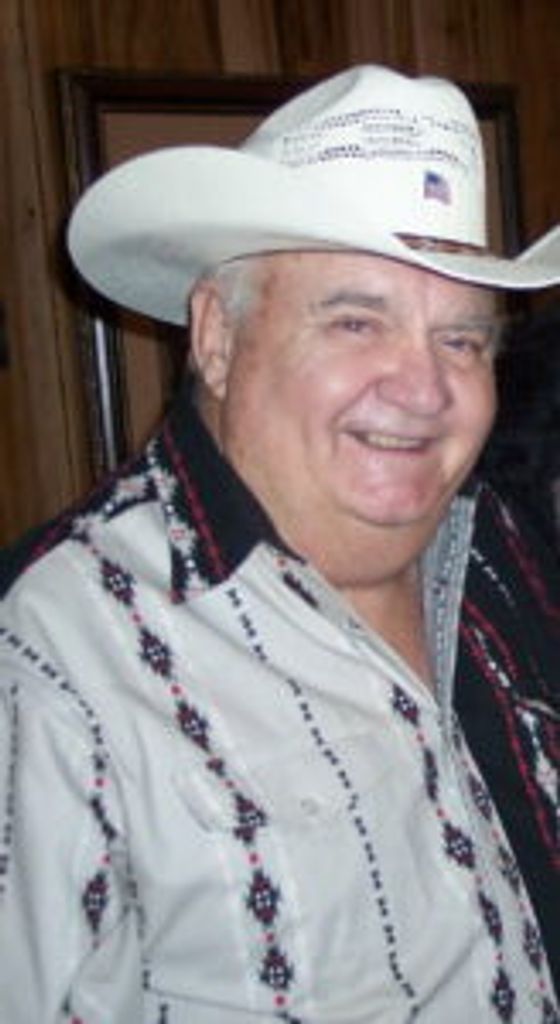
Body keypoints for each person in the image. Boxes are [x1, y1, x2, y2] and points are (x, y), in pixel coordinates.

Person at [1, 64, 559, 1024]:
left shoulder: (499, 547)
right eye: (356, 321)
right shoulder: (54, 657)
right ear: (216, 336)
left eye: (462, 341)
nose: (424, 389)